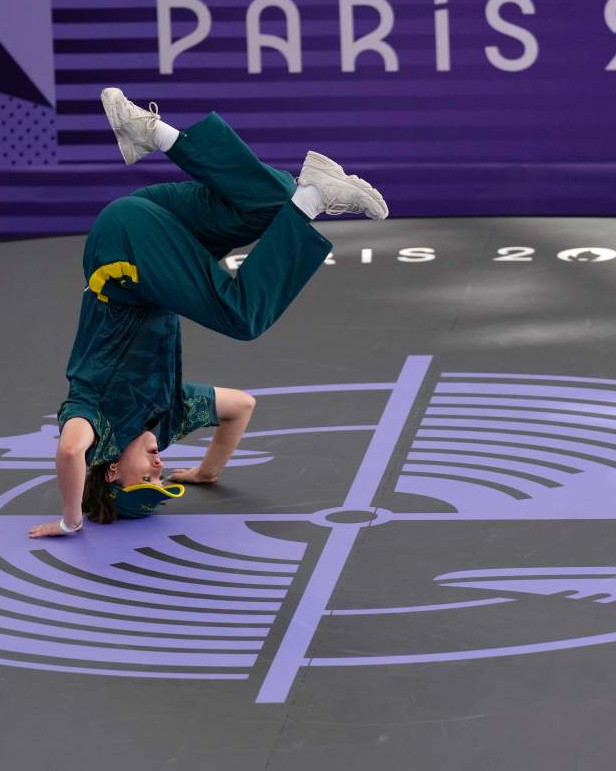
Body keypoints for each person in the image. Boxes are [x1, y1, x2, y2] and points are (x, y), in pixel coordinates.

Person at [28, 88, 387, 538]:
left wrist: (71, 519)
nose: (159, 467)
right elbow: (241, 406)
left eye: (147, 476)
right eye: (162, 478)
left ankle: (315, 200)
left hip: (123, 258)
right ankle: (152, 133)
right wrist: (207, 471)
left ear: (112, 472)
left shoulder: (95, 422)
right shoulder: (170, 415)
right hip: (148, 234)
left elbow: (68, 453)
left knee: (242, 316)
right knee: (272, 203)